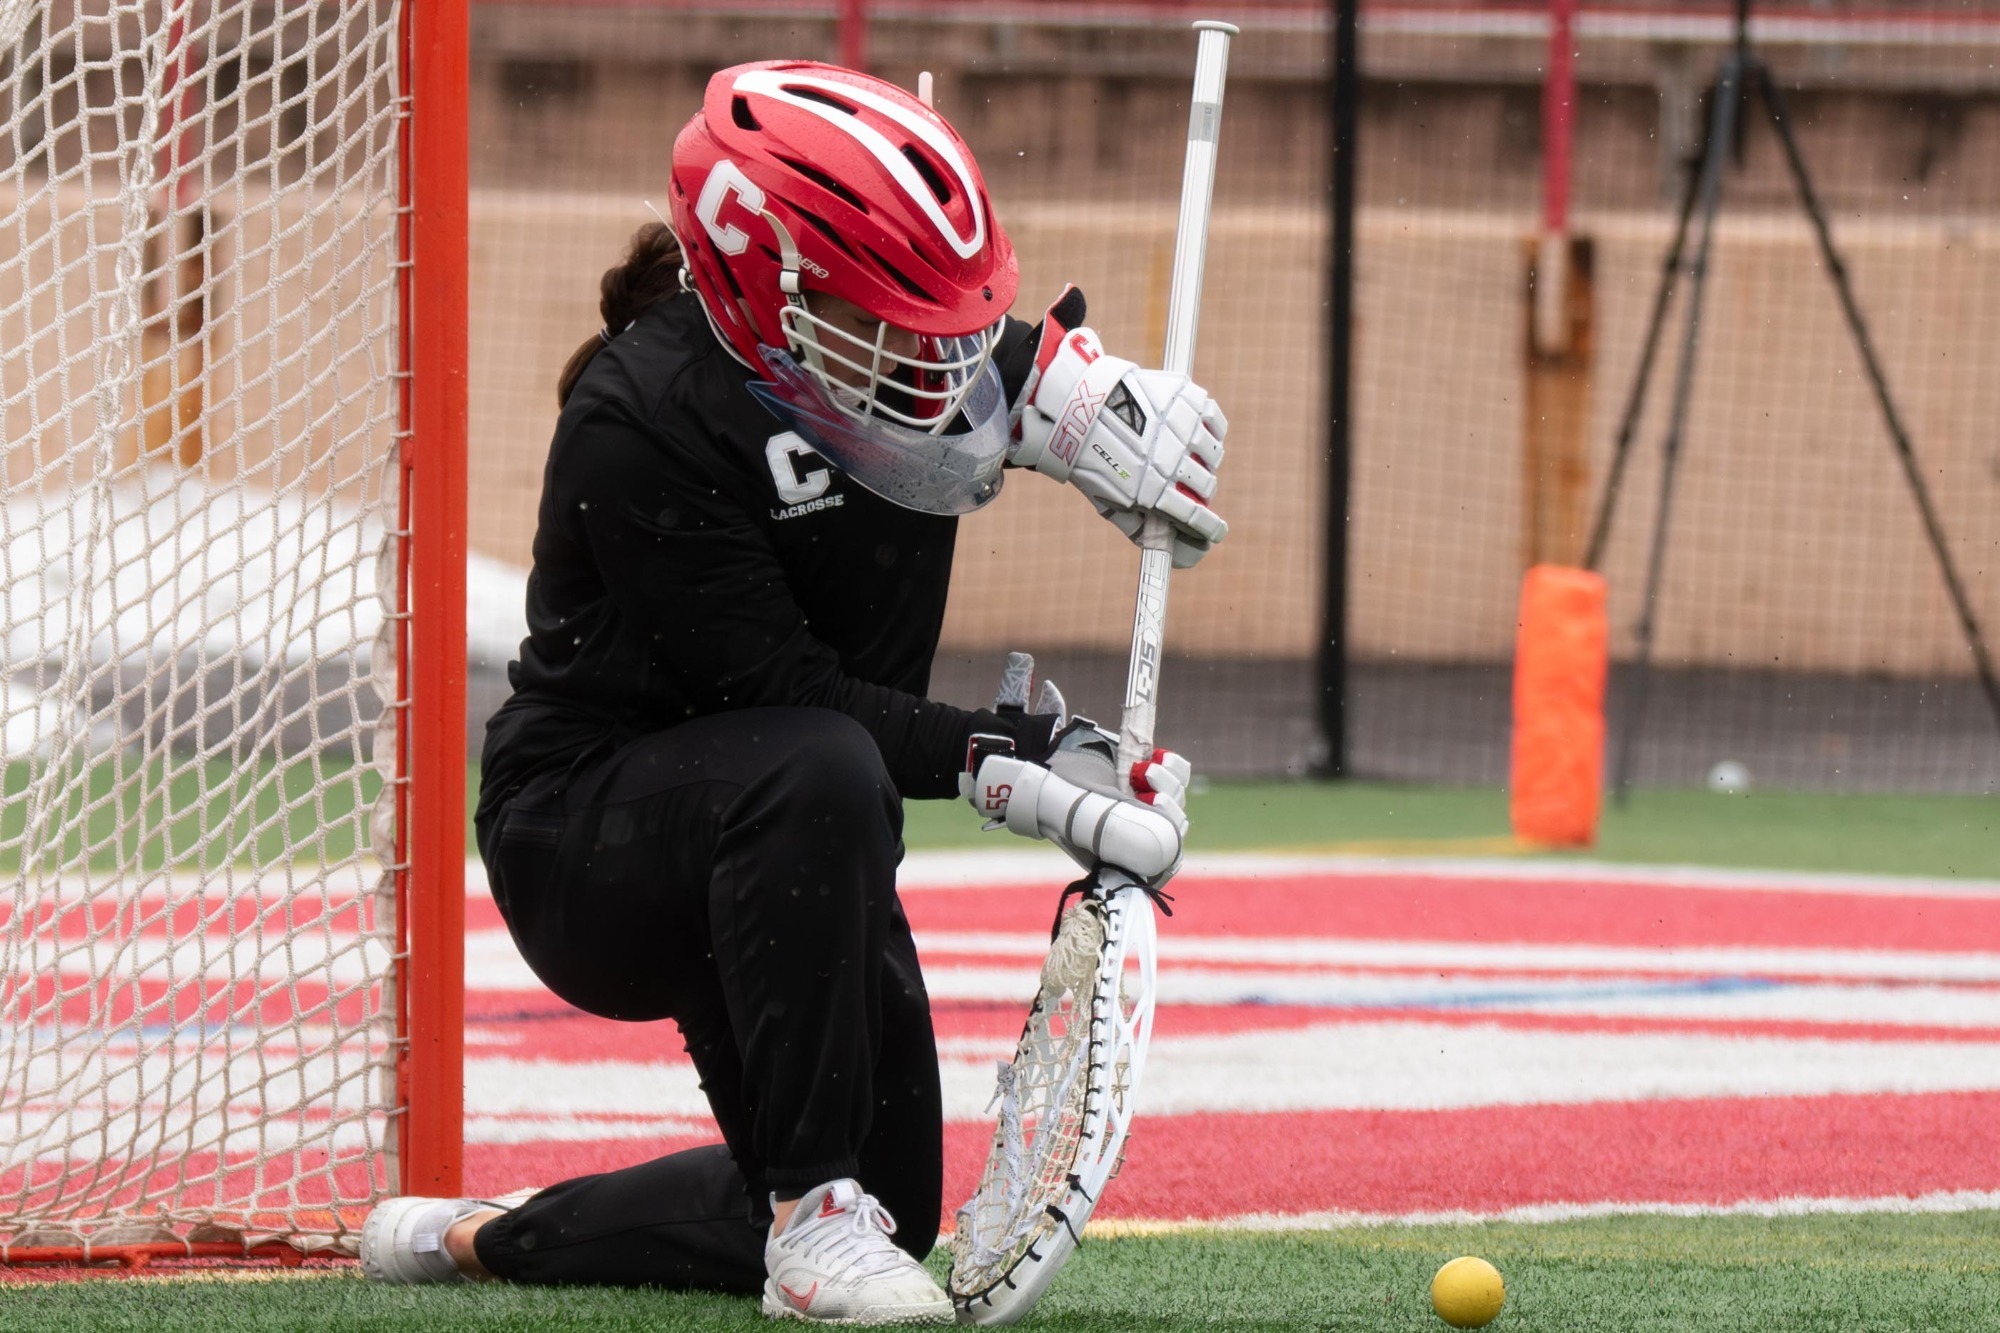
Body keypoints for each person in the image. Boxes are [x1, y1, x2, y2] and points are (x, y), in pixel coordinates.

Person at [359, 59, 1227, 1325]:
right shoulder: (638, 419)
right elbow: (786, 695)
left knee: (904, 1203)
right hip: (591, 838)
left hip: (790, 834)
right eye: (892, 321)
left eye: (955, 322)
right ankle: (810, 1221)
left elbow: (1007, 366)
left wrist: (1112, 415)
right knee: (819, 762)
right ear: (766, 292)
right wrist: (1033, 763)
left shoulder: (922, 352)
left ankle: (484, 1237)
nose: (943, 366)